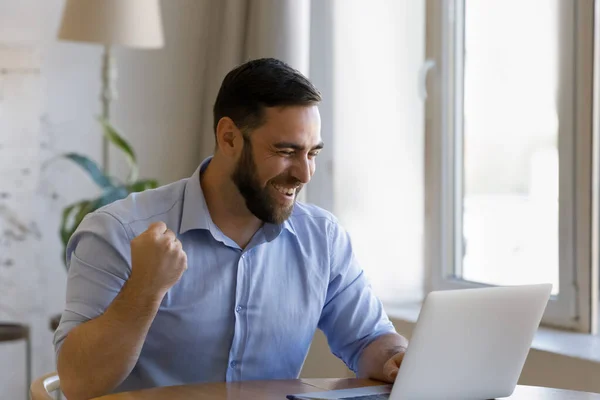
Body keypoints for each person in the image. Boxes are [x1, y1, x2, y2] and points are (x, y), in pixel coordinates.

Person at [54, 58, 409, 400]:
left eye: (312, 153)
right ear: (228, 138)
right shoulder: (119, 232)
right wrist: (144, 289)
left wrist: (397, 358)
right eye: (286, 151)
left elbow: (368, 339)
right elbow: (78, 383)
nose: (304, 174)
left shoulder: (322, 238)